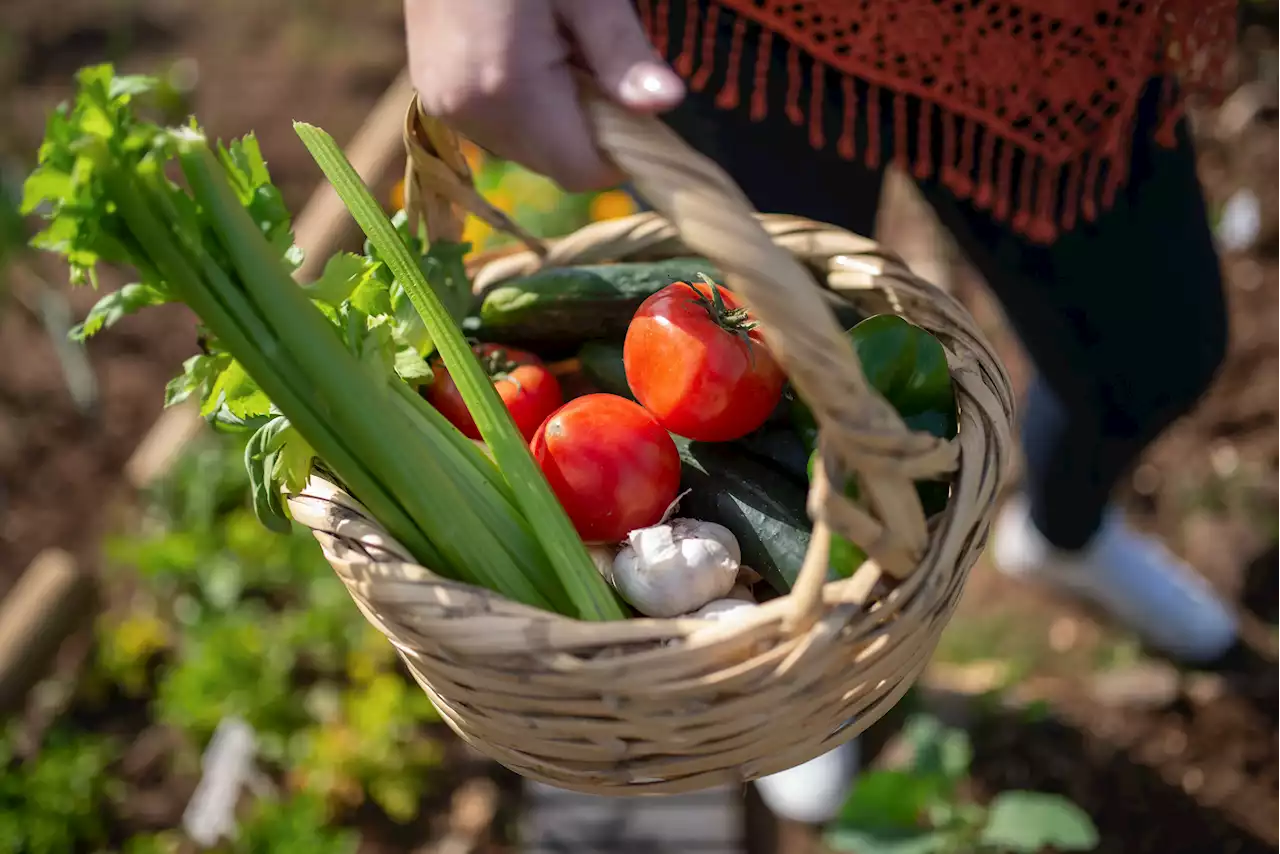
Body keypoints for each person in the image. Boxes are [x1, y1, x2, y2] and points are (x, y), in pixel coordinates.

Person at [404, 0, 1241, 824]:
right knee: (774, 280)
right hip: (747, 29)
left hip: (1048, 30)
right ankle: (796, 664)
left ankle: (1065, 531)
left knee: (1159, 351)